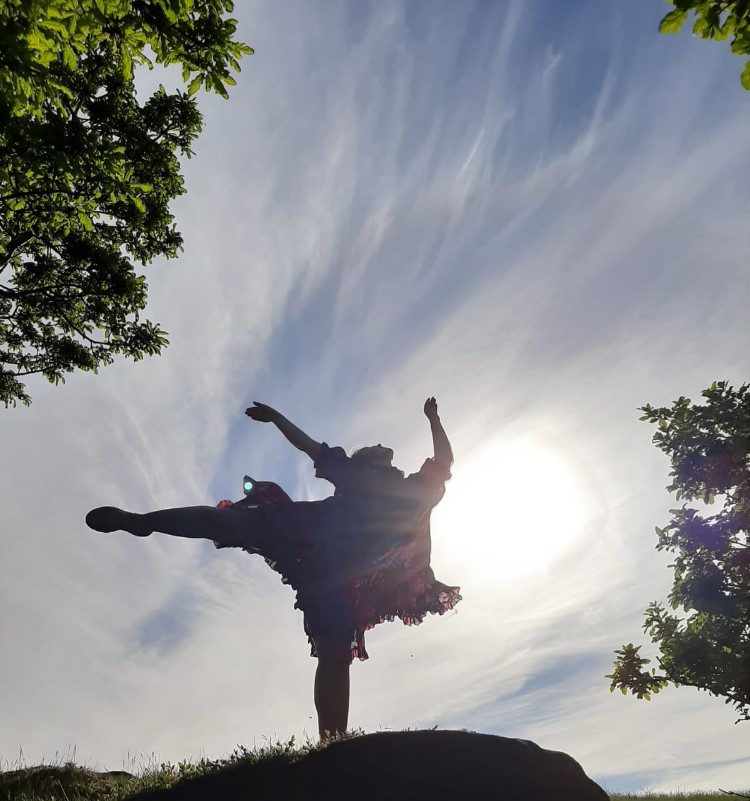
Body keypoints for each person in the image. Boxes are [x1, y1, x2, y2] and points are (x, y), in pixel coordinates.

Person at [86, 397, 461, 738]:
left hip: (339, 575)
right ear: (368, 460)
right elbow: (307, 444)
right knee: (229, 524)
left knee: (335, 655)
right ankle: (140, 521)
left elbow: (444, 460)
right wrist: (276, 417)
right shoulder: (356, 472)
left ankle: (333, 744)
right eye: (377, 448)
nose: (383, 447)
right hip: (310, 534)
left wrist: (434, 420)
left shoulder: (415, 489)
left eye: (383, 448)